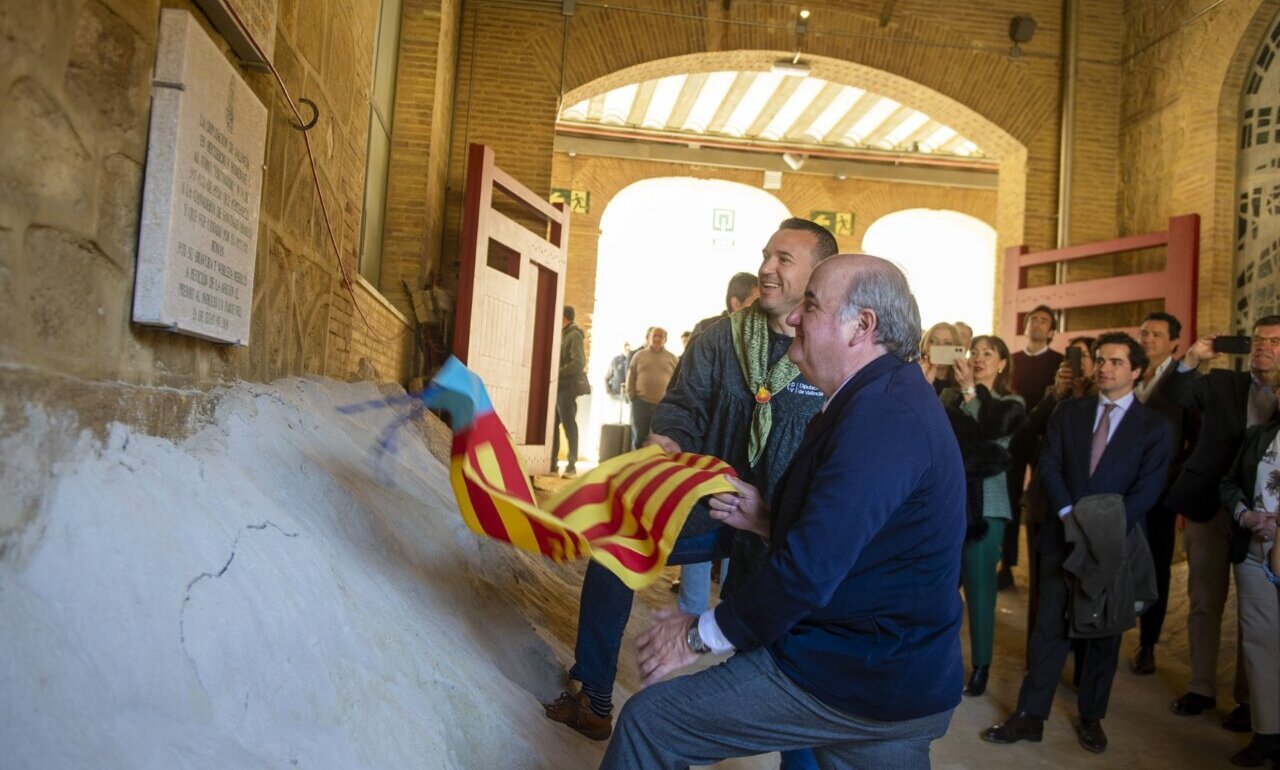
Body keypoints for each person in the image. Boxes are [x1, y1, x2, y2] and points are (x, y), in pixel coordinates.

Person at [599, 254, 966, 770]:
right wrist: (767, 519)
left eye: (811, 305)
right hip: (895, 675)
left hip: (852, 673)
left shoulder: (883, 420)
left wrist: (697, 636)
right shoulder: (873, 398)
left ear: (862, 327)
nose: (792, 317)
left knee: (651, 725)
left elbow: (809, 572)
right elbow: (865, 538)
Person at [543, 219, 836, 752]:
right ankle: (595, 701)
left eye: (783, 260)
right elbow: (682, 409)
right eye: (765, 255)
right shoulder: (719, 340)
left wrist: (784, 518)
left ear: (818, 274)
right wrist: (667, 443)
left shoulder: (829, 349)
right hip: (710, 501)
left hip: (786, 521)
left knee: (798, 645)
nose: (766, 268)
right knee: (615, 545)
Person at [983, 332, 1171, 754]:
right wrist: (1069, 515)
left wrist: (1100, 528)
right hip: (1060, 535)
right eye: (1101, 360)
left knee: (1102, 635)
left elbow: (1147, 491)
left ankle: (1091, 718)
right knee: (1048, 628)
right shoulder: (1070, 412)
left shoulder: (1154, 428)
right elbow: (1048, 464)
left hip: (1111, 544)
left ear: (1136, 370)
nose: (1105, 368)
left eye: (1116, 362)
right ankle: (1030, 716)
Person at [1163, 318, 1280, 732]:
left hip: (1261, 520)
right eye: (1259, 340)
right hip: (1208, 506)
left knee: (1257, 614)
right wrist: (1193, 357)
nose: (1264, 347)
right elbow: (1176, 393)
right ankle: (1201, 687)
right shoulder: (1222, 384)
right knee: (1205, 602)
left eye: (1275, 342)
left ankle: (1251, 702)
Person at [671, 270, 760, 623]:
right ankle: (691, 614)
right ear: (735, 303)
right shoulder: (710, 332)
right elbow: (688, 393)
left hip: (744, 454)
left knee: (737, 530)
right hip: (708, 452)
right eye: (753, 301)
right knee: (702, 523)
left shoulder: (767, 336)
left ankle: (725, 615)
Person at [942, 335, 1025, 697]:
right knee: (941, 592)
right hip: (950, 504)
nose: (978, 358)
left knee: (979, 592)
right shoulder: (949, 398)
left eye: (988, 353)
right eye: (974, 352)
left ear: (1003, 363)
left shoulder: (1012, 402)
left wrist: (973, 396)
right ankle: (941, 662)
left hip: (989, 507)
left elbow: (994, 434)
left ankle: (981, 666)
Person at [1130, 311, 1194, 676]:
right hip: (1122, 485)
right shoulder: (1130, 373)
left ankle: (1147, 643)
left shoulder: (1184, 380)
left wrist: (1174, 481)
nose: (1148, 339)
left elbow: (1194, 439)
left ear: (1174, 343)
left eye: (1156, 334)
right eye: (1143, 332)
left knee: (1156, 566)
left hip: (1161, 491)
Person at [1219, 414, 1280, 767]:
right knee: (1259, 642)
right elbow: (1228, 483)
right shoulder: (1260, 434)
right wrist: (1244, 514)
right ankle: (1267, 734)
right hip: (1253, 550)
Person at [1001, 305, 1066, 589]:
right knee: (1011, 500)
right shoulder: (1012, 361)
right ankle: (1007, 565)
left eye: (1044, 321)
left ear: (1052, 331)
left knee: (1041, 501)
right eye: (1033, 319)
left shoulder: (1060, 362)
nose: (1038, 324)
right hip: (1014, 440)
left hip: (1044, 441)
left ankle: (1046, 563)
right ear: (1025, 326)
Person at [626, 327, 678, 450]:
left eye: (660, 336)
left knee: (660, 438)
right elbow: (631, 376)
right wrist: (632, 396)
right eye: (654, 335)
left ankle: (655, 466)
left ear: (665, 339)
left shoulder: (672, 358)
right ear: (649, 337)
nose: (657, 338)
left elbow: (678, 381)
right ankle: (638, 465)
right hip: (641, 403)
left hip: (663, 405)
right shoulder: (639, 355)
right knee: (639, 437)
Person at [552, 306, 586, 477]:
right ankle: (552, 464)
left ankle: (571, 466)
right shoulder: (564, 333)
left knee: (568, 425)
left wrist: (556, 373)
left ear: (564, 317)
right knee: (552, 427)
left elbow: (579, 362)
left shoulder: (573, 335)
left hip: (566, 388)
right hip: (558, 387)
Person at [920, 321, 963, 395]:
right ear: (924, 344)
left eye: (947, 343)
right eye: (933, 341)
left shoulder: (962, 382)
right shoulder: (910, 375)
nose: (939, 347)